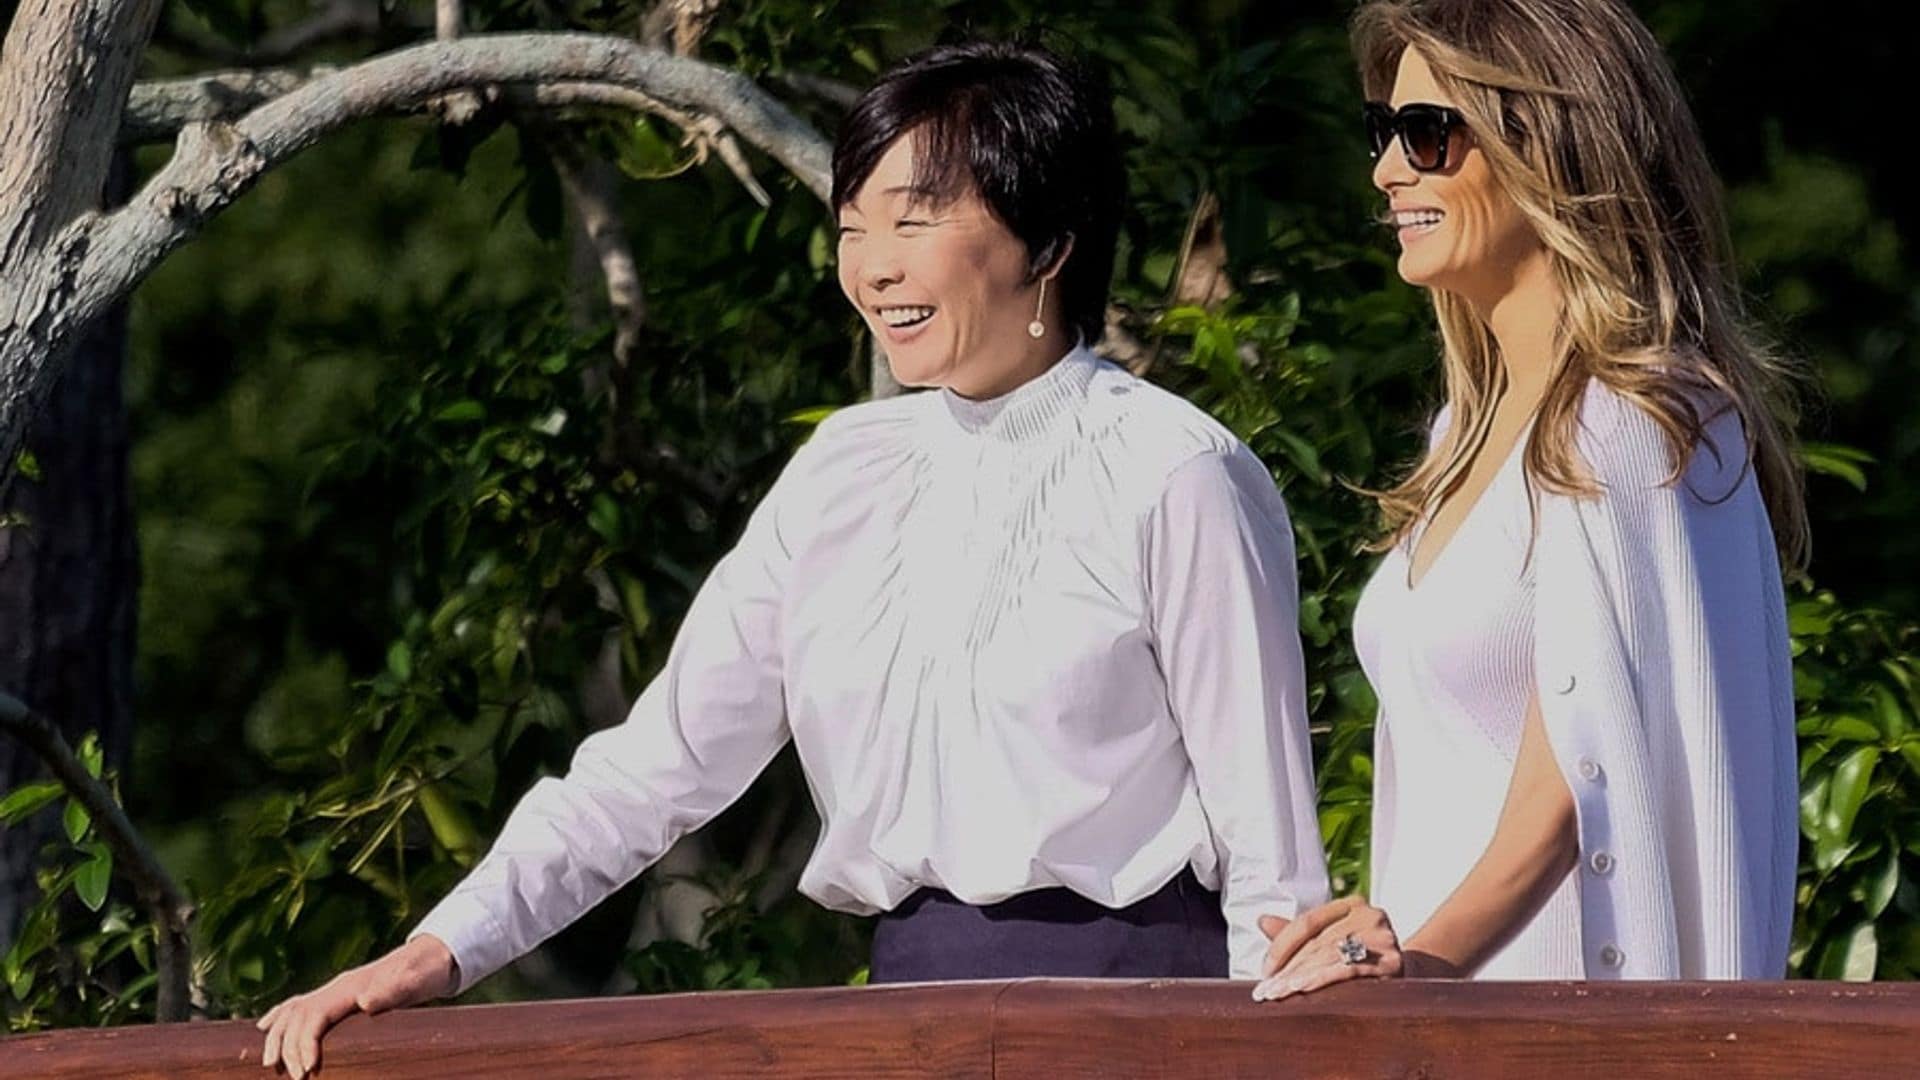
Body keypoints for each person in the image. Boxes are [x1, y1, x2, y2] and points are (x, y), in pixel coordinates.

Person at [261, 40, 1328, 1078]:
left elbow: (1271, 857)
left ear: (1048, 239)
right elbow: (656, 769)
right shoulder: (843, 472)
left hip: (1136, 1022)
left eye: (915, 220)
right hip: (900, 1025)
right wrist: (437, 952)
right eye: (853, 226)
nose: (872, 266)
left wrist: (1253, 1058)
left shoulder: (1175, 471)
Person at [1252, 0, 1805, 1001]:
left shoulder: (1642, 419)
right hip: (1443, 1017)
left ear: (1547, 145)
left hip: (1562, 1017)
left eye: (1427, 135)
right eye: (1385, 134)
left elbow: (1572, 778)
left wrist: (1424, 963)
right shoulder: (1463, 439)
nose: (1388, 171)